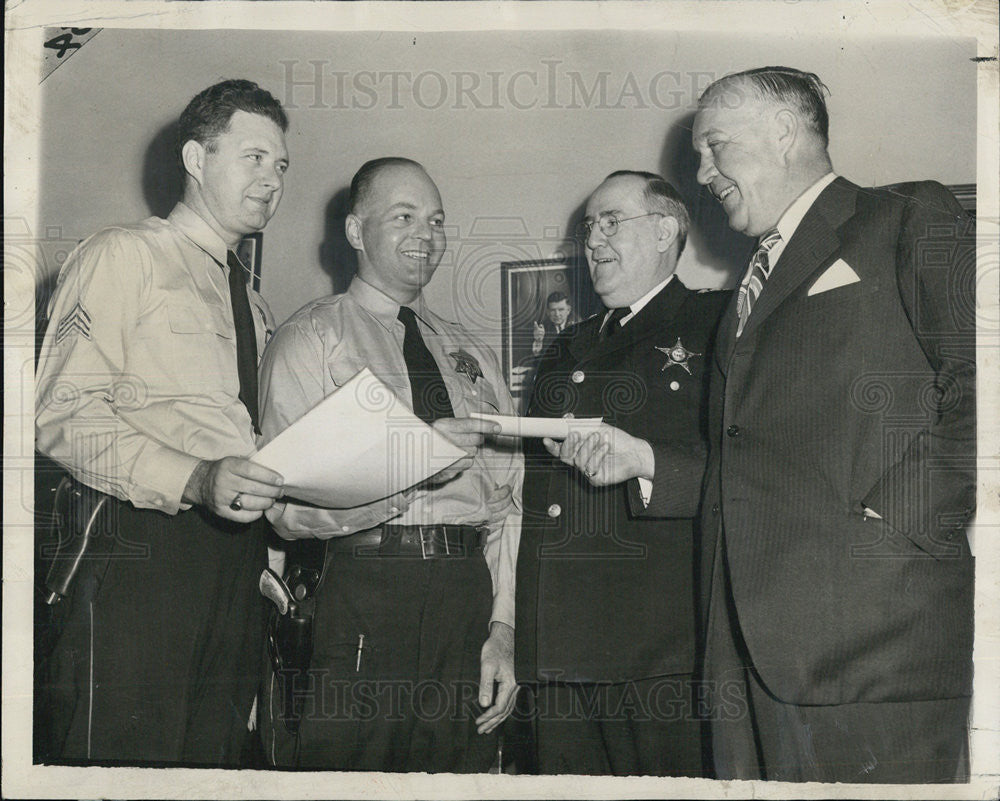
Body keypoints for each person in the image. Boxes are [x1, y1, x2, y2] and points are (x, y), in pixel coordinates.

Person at [690, 67, 976, 782]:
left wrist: (892, 519)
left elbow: (986, 379)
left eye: (714, 146)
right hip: (743, 657)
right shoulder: (742, 296)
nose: (702, 173)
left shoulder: (908, 215)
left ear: (784, 132)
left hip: (874, 643)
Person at [34, 79, 290, 766]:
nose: (272, 180)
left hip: (233, 568)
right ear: (196, 159)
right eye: (254, 158)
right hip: (138, 548)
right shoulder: (124, 256)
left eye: (282, 165)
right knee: (120, 764)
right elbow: (62, 416)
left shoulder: (254, 304)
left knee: (209, 764)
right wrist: (195, 478)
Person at [258, 157, 522, 772]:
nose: (425, 235)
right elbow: (283, 509)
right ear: (355, 231)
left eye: (436, 220)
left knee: (460, 773)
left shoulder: (472, 353)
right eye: (403, 216)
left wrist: (502, 628)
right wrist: (409, 472)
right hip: (363, 587)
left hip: (465, 595)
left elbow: (509, 506)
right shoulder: (310, 339)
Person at [514, 170, 730, 775]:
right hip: (558, 653)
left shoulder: (718, 325)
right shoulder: (563, 348)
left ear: (665, 230)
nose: (593, 240)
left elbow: (757, 470)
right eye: (589, 227)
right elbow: (535, 502)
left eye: (612, 222)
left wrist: (645, 461)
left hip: (660, 652)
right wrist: (517, 636)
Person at [531, 291, 578, 356]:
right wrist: (538, 341)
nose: (557, 314)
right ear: (547, 312)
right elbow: (536, 360)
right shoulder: (540, 329)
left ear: (568, 310)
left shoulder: (578, 325)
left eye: (561, 309)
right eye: (553, 310)